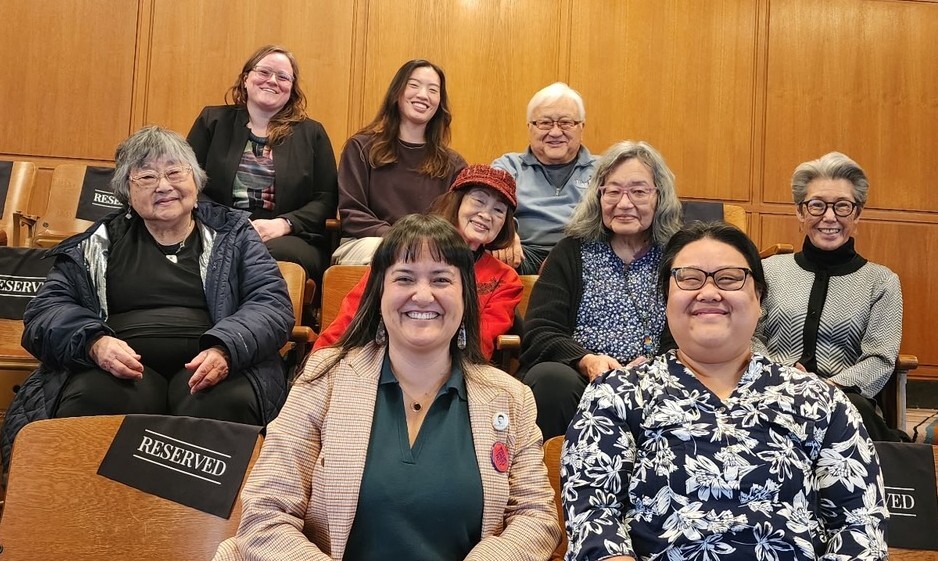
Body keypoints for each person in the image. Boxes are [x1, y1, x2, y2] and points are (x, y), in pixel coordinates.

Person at [213, 214, 560, 561]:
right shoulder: (324, 379)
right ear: (379, 292)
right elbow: (266, 512)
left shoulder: (511, 397)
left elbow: (536, 517)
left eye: (441, 279)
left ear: (466, 295)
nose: (423, 295)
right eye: (404, 278)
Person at [561, 222, 888, 561]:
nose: (709, 292)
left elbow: (860, 527)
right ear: (665, 298)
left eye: (729, 278)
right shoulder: (617, 394)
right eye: (689, 278)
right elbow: (592, 515)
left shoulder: (820, 401)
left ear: (759, 297)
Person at [0, 126, 294, 462]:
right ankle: (92, 512)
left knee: (227, 402)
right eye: (147, 177)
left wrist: (226, 349)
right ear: (127, 190)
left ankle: (208, 516)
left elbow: (271, 304)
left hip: (217, 363)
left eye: (174, 172)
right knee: (95, 398)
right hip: (115, 369)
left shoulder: (235, 234)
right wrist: (94, 344)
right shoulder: (97, 243)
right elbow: (45, 312)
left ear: (195, 182)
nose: (164, 185)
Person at [519, 141, 682, 439]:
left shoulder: (679, 255)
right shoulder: (570, 251)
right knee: (549, 379)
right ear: (599, 196)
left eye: (638, 191)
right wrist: (586, 360)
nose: (624, 203)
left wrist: (656, 365)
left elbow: (696, 324)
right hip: (580, 379)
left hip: (659, 377)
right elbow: (541, 331)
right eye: (613, 191)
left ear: (659, 197)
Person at [760, 152, 905, 441]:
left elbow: (880, 358)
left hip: (845, 401)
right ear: (800, 212)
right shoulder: (768, 271)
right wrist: (784, 377)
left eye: (842, 206)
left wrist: (828, 386)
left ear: (857, 214)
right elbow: (749, 336)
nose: (829, 217)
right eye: (817, 206)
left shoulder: (881, 282)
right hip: (771, 393)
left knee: (853, 411)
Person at [314, 164, 523, 360]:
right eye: (479, 200)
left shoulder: (504, 278)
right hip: (378, 363)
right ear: (457, 202)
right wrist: (318, 364)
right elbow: (351, 318)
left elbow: (480, 343)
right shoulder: (403, 252)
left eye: (499, 210)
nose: (486, 215)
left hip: (453, 373)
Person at [187, 44, 338, 285]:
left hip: (288, 238)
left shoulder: (312, 133)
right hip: (217, 228)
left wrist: (284, 224)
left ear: (292, 88)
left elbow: (326, 198)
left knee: (269, 255)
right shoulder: (212, 121)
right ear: (246, 79)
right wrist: (229, 222)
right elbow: (189, 184)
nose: (272, 81)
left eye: (282, 77)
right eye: (264, 72)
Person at [333, 59, 466, 265]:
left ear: (440, 102)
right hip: (368, 243)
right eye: (413, 85)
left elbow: (458, 221)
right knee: (398, 256)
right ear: (397, 92)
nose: (423, 95)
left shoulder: (453, 164)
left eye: (433, 90)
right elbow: (352, 212)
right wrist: (401, 238)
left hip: (430, 250)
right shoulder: (361, 147)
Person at [492, 82, 597, 274]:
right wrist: (504, 234)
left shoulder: (604, 170)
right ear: (530, 127)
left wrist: (564, 255)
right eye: (545, 123)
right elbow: (485, 206)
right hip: (522, 254)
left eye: (565, 122)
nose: (555, 132)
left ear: (581, 127)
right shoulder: (509, 166)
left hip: (582, 255)